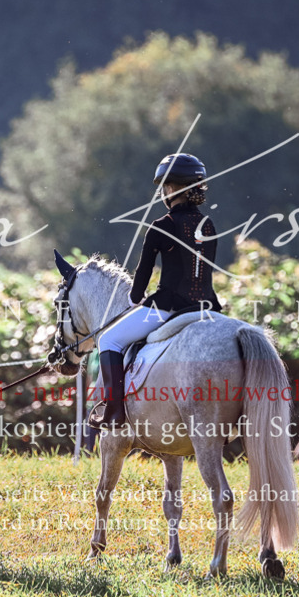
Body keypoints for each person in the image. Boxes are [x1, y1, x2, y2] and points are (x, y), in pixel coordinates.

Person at [92, 153, 222, 429]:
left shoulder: (161, 226)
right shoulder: (208, 225)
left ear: (172, 188)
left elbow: (143, 274)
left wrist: (134, 299)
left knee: (108, 340)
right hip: (208, 308)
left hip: (167, 309)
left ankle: (114, 412)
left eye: (164, 186)